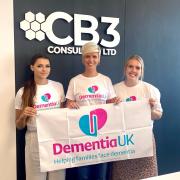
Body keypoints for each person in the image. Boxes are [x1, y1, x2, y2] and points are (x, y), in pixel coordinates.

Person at [66, 42, 117, 180]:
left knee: (100, 175)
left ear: (99, 59)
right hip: (82, 136)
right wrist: (70, 104)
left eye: (94, 56)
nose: (91, 60)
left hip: (102, 136)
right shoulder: (75, 81)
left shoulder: (106, 80)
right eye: (87, 56)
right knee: (83, 176)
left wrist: (116, 102)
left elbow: (111, 103)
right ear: (83, 59)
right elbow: (67, 104)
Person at [112, 55, 163, 180]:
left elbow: (158, 115)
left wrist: (150, 109)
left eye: (137, 68)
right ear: (125, 68)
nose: (133, 70)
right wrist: (112, 106)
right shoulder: (114, 89)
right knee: (122, 175)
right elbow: (110, 118)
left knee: (147, 176)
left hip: (144, 141)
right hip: (123, 140)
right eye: (130, 66)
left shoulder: (150, 90)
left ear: (141, 71)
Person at [15, 54, 66, 180]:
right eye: (40, 66)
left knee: (58, 177)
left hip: (56, 138)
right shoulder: (23, 91)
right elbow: (19, 126)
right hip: (35, 139)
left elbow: (63, 115)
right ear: (32, 68)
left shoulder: (58, 87)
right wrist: (23, 115)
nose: (44, 69)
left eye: (47, 66)